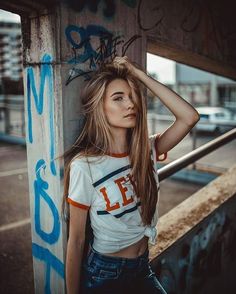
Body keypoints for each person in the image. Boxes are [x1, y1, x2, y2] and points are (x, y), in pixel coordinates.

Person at [63, 56, 200, 294]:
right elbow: (75, 241)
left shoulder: (146, 150)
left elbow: (189, 117)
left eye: (132, 96)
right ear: (99, 107)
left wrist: (137, 74)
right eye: (118, 98)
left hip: (142, 266)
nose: (130, 104)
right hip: (106, 273)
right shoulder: (85, 165)